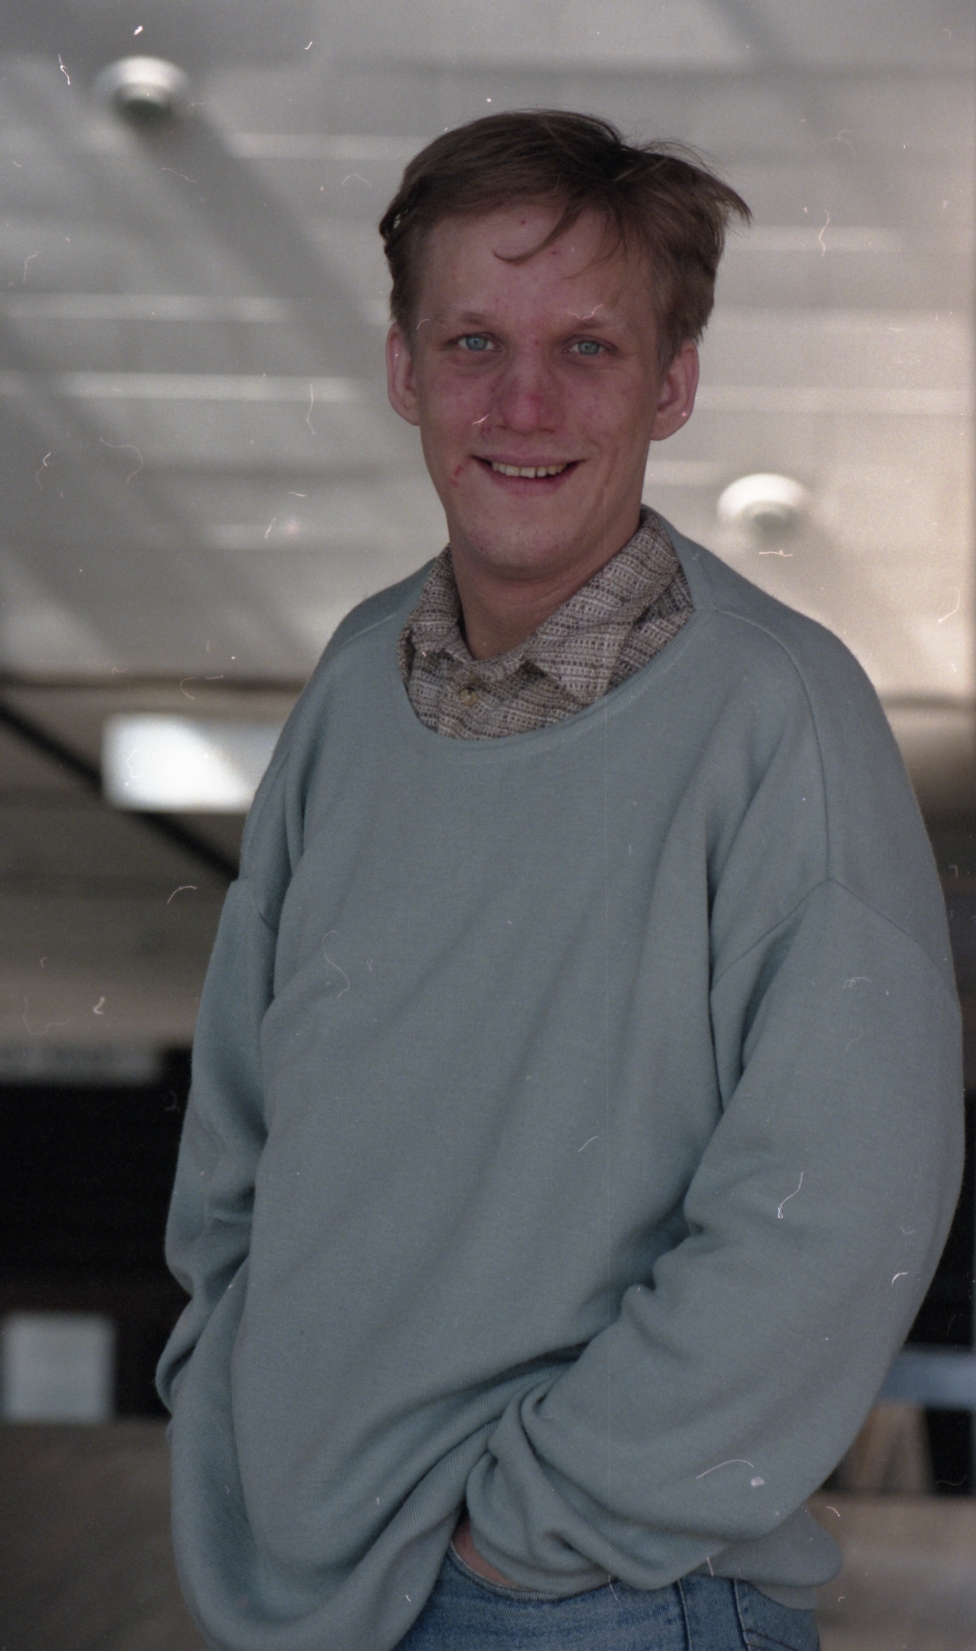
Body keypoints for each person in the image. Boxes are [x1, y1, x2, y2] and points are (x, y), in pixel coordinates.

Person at [157, 111, 963, 1651]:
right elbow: (239, 1131)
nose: (521, 403)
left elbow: (842, 1207)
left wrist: (536, 1534)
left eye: (587, 348)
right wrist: (230, 1416)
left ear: (674, 385)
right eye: (474, 340)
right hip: (298, 1582)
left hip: (592, 1600)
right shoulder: (353, 685)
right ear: (404, 368)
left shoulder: (778, 714)